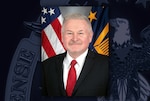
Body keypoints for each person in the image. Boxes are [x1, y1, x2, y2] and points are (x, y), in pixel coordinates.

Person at [42, 13, 109, 96]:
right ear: (62, 37)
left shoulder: (108, 66)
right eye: (69, 33)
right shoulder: (46, 66)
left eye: (80, 33)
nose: (75, 38)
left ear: (90, 37)